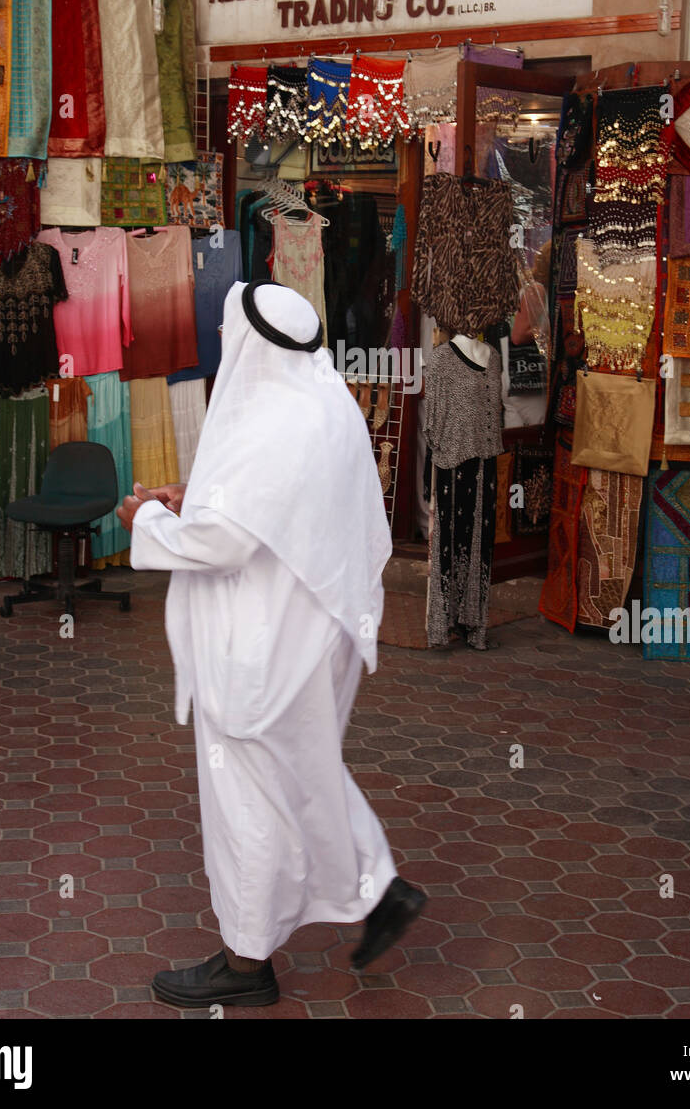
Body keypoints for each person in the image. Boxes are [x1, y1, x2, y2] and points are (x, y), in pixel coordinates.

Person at [118, 280, 426, 1008]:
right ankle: (378, 890)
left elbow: (224, 541)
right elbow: (280, 508)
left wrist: (145, 521)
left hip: (257, 646)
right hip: (313, 640)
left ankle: (246, 961)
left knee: (247, 800)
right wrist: (194, 496)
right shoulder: (327, 404)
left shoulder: (269, 421)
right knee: (303, 768)